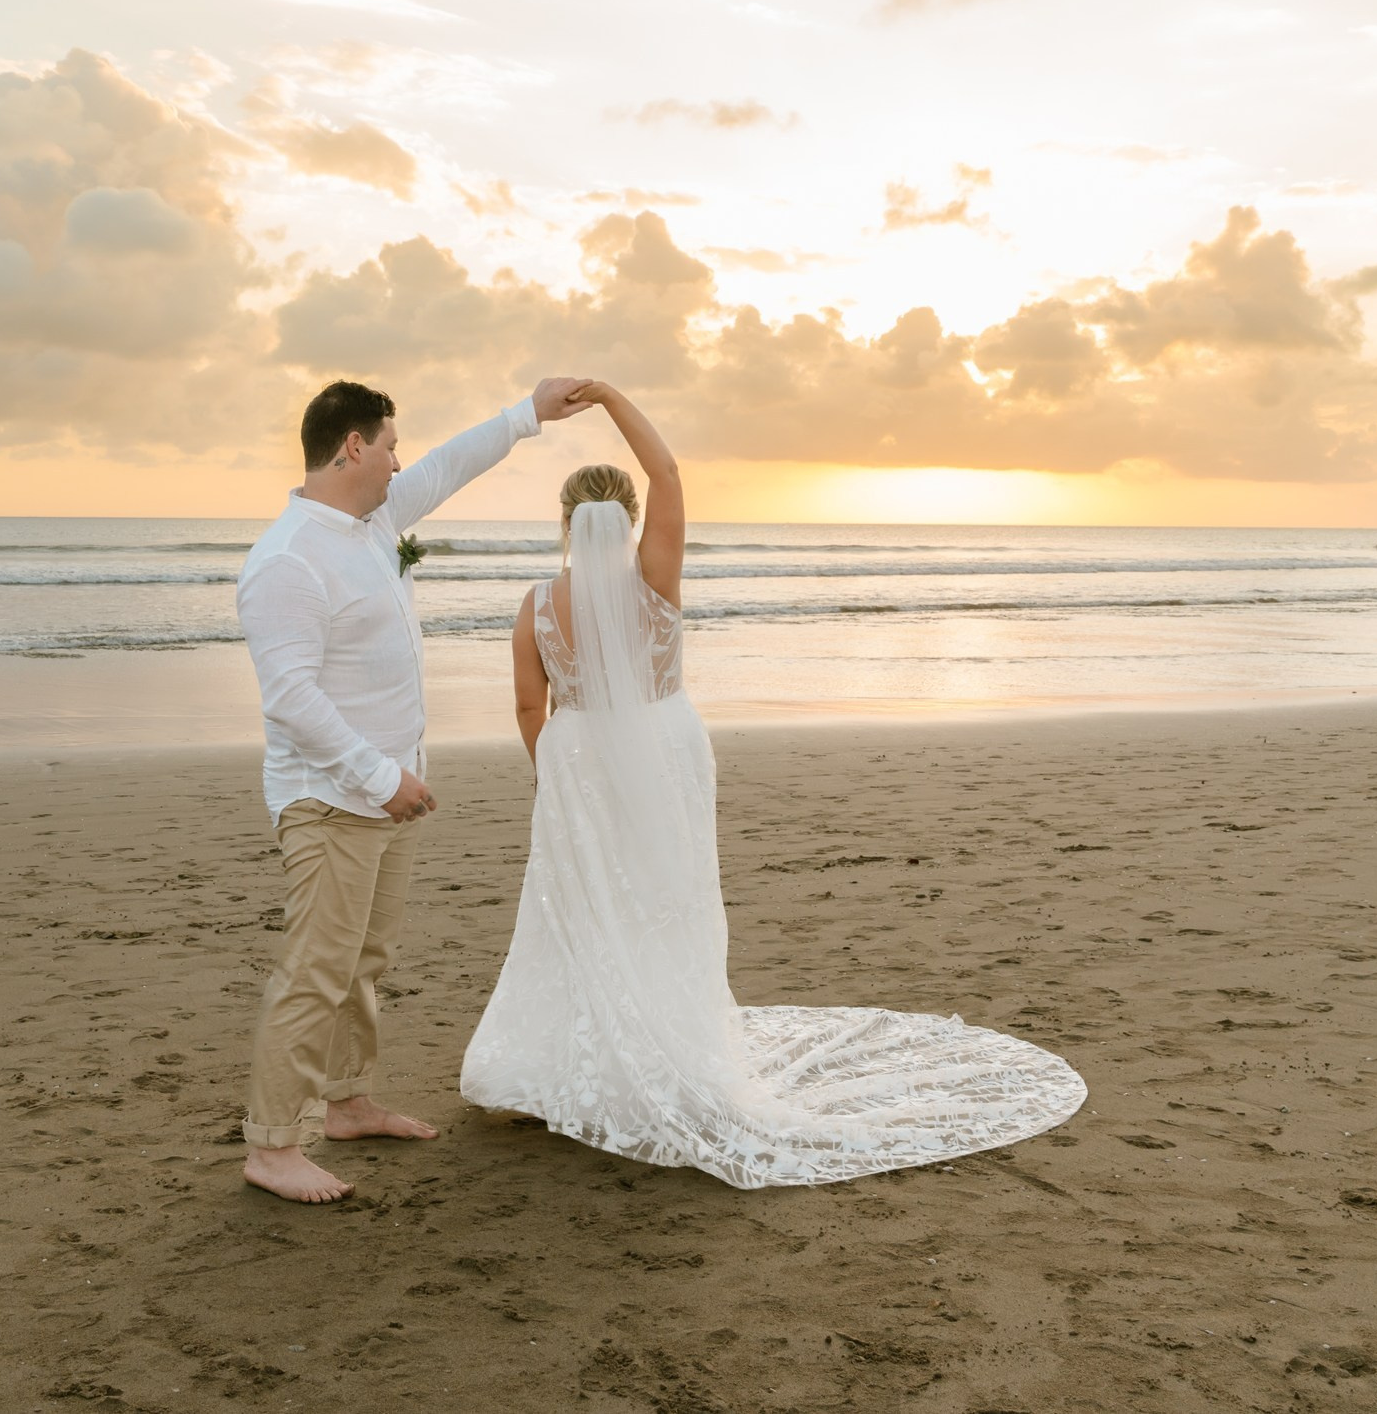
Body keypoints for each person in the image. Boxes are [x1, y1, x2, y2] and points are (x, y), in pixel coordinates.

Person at [460, 381, 1087, 1187]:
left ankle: (566, 1068)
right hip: (666, 749)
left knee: (585, 912)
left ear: (565, 523)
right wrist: (612, 398)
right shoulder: (654, 578)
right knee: (669, 903)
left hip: (576, 761)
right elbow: (669, 473)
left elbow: (528, 705)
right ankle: (670, 1046)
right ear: (629, 518)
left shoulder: (537, 605)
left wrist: (558, 780)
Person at [234, 375, 593, 1203]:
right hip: (332, 799)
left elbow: (450, 465)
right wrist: (378, 775)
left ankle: (349, 1102)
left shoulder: (378, 519)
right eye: (390, 446)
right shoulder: (287, 560)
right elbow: (290, 698)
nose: (401, 463)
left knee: (364, 959)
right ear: (353, 445)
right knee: (315, 970)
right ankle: (272, 1145)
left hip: (389, 793)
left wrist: (529, 413)